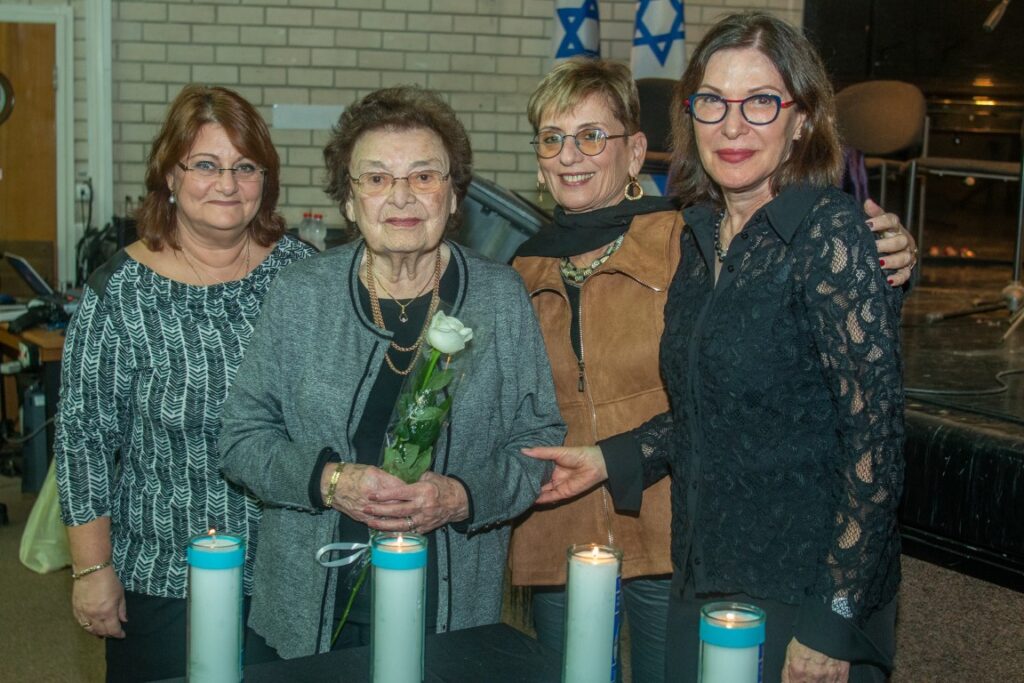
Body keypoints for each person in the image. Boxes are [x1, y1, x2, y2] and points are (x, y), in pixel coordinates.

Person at [524, 13, 905, 683]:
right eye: (713, 102)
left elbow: (875, 442)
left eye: (760, 102)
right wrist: (607, 458)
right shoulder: (702, 238)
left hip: (800, 589)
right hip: (703, 573)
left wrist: (831, 621)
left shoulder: (826, 230)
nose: (732, 126)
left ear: (802, 119)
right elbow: (708, 412)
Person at [218, 85, 565, 660]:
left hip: (451, 609)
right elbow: (240, 439)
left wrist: (460, 497)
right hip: (310, 607)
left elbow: (537, 441)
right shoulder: (301, 294)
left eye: (424, 176)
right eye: (377, 178)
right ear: (349, 202)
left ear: (453, 197)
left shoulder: (500, 297)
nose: (401, 196)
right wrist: (331, 482)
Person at [54, 85, 316, 681]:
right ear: (170, 175)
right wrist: (92, 571)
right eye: (205, 165)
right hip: (164, 577)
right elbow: (83, 442)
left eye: (245, 167)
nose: (227, 183)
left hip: (290, 577)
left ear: (265, 180)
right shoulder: (120, 292)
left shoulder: (304, 277)